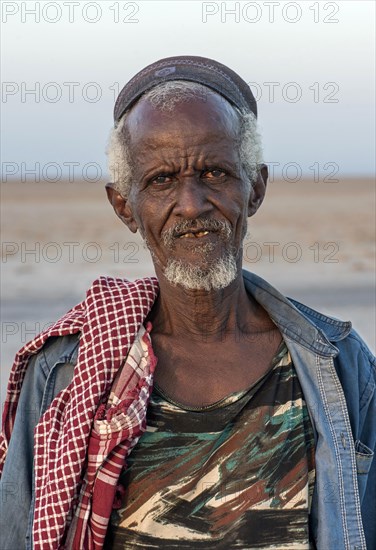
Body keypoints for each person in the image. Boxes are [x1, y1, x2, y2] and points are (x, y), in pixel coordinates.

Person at [0, 56, 374, 550]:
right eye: (161, 180)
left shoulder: (339, 365)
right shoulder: (65, 372)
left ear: (255, 188)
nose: (193, 204)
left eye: (215, 173)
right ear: (124, 206)